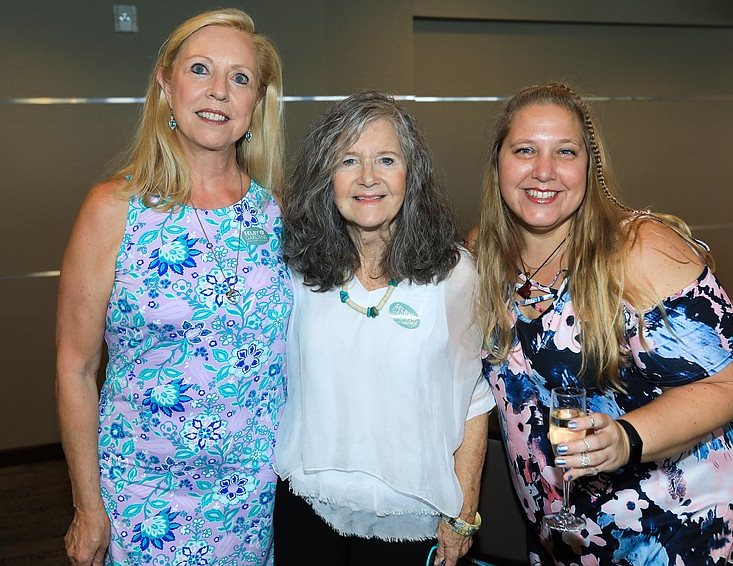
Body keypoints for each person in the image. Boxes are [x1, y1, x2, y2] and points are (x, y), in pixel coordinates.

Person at [474, 82, 733, 565]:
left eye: (566, 152)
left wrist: (627, 437)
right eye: (525, 150)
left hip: (681, 524)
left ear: (590, 167)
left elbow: (731, 380)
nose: (544, 170)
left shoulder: (639, 250)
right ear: (497, 162)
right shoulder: (483, 256)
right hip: (562, 526)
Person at [55, 9, 289, 565]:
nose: (218, 91)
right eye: (200, 69)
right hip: (142, 503)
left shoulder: (273, 214)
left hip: (249, 501)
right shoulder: (114, 209)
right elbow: (76, 368)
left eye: (239, 78)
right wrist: (88, 507)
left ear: (257, 101)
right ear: (166, 83)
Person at [274, 90, 495, 565]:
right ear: (325, 177)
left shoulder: (454, 275)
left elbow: (475, 398)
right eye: (348, 160)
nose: (368, 177)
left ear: (411, 175)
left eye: (386, 159)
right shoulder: (297, 269)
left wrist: (464, 514)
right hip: (307, 509)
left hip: (413, 521)